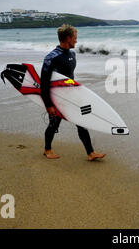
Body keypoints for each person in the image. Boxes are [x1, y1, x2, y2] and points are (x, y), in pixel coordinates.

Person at [40, 24, 106, 161]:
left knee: (81, 121)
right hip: (58, 97)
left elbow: (69, 77)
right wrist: (49, 105)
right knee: (54, 123)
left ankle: (90, 153)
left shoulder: (72, 54)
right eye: (75, 38)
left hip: (71, 95)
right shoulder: (51, 57)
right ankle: (47, 150)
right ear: (68, 38)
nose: (76, 41)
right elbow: (44, 83)